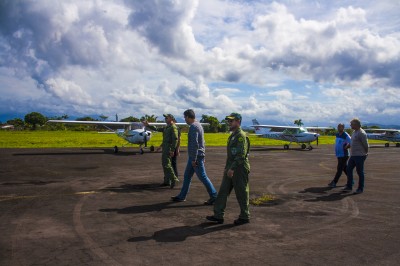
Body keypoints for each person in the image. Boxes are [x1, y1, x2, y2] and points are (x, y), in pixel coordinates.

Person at [206, 113, 250, 225]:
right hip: (231, 168)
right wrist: (228, 168)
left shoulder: (241, 136)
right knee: (223, 192)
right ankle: (218, 215)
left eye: (231, 121)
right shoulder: (233, 135)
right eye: (228, 121)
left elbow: (241, 155)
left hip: (239, 168)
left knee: (241, 193)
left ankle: (245, 216)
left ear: (238, 122)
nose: (229, 123)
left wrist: (232, 168)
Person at [171, 109, 218, 204]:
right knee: (187, 176)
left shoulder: (193, 126)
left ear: (188, 117)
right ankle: (182, 196)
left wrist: (194, 159)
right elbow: (202, 143)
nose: (185, 119)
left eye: (185, 117)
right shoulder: (199, 125)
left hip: (195, 157)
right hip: (196, 156)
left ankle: (214, 196)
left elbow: (195, 144)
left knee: (203, 177)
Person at [343, 118, 369, 194]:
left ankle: (360, 188)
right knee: (348, 169)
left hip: (360, 155)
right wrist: (348, 146)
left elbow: (366, 145)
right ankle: (349, 186)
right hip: (353, 155)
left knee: (359, 171)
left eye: (351, 124)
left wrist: (365, 153)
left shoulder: (361, 133)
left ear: (356, 125)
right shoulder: (354, 132)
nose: (350, 125)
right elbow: (352, 141)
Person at [328, 123, 351, 188]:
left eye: (340, 127)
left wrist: (347, 146)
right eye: (338, 127)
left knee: (339, 168)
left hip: (344, 155)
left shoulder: (345, 135)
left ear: (343, 128)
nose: (338, 128)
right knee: (344, 168)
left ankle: (334, 182)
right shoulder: (337, 134)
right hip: (339, 154)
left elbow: (351, 141)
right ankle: (351, 180)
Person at [159, 114, 179, 188]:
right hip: (165, 147)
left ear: (171, 118)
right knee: (165, 165)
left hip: (169, 148)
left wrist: (172, 150)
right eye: (165, 118)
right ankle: (167, 181)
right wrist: (148, 125)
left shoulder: (173, 127)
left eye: (167, 118)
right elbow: (157, 129)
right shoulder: (167, 127)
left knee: (167, 165)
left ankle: (173, 179)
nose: (165, 119)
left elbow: (175, 140)